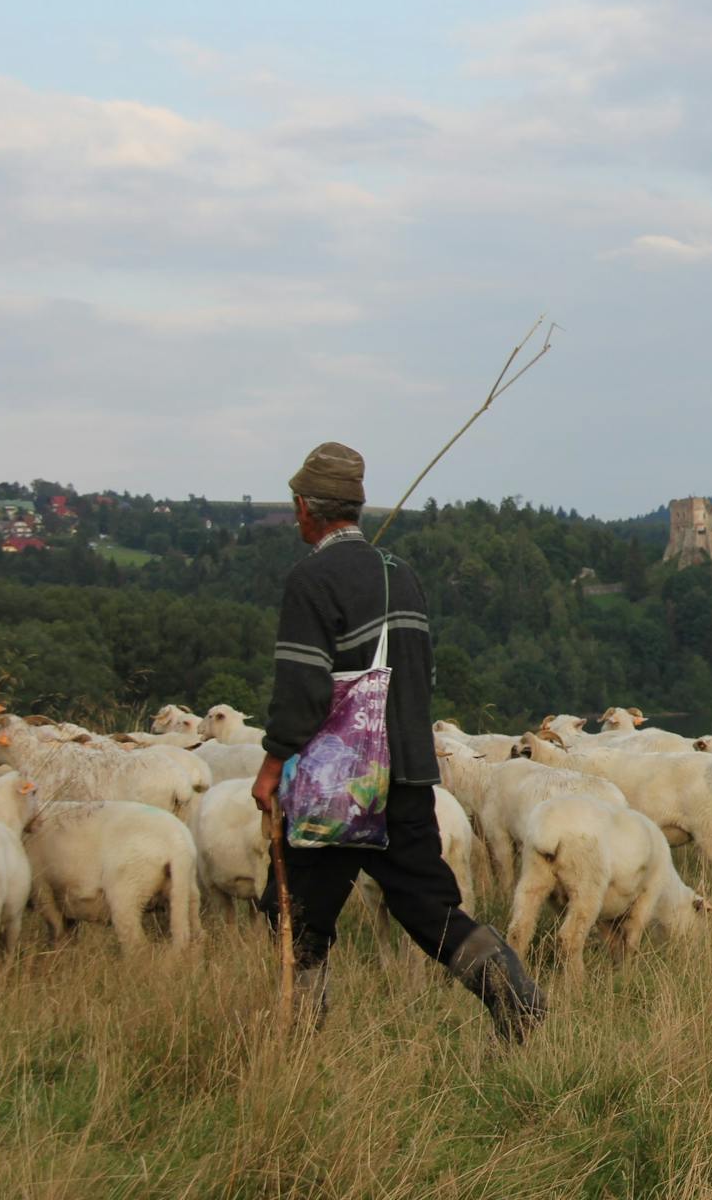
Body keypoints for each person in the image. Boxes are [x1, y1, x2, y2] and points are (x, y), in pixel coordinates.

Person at [254, 441, 543, 1040]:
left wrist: (272, 763)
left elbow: (304, 689)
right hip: (409, 775)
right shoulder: (400, 575)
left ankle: (297, 1041)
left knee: (294, 913)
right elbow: (417, 677)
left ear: (307, 508)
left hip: (340, 785)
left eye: (296, 503)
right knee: (427, 907)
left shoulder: (310, 580)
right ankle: (512, 994)